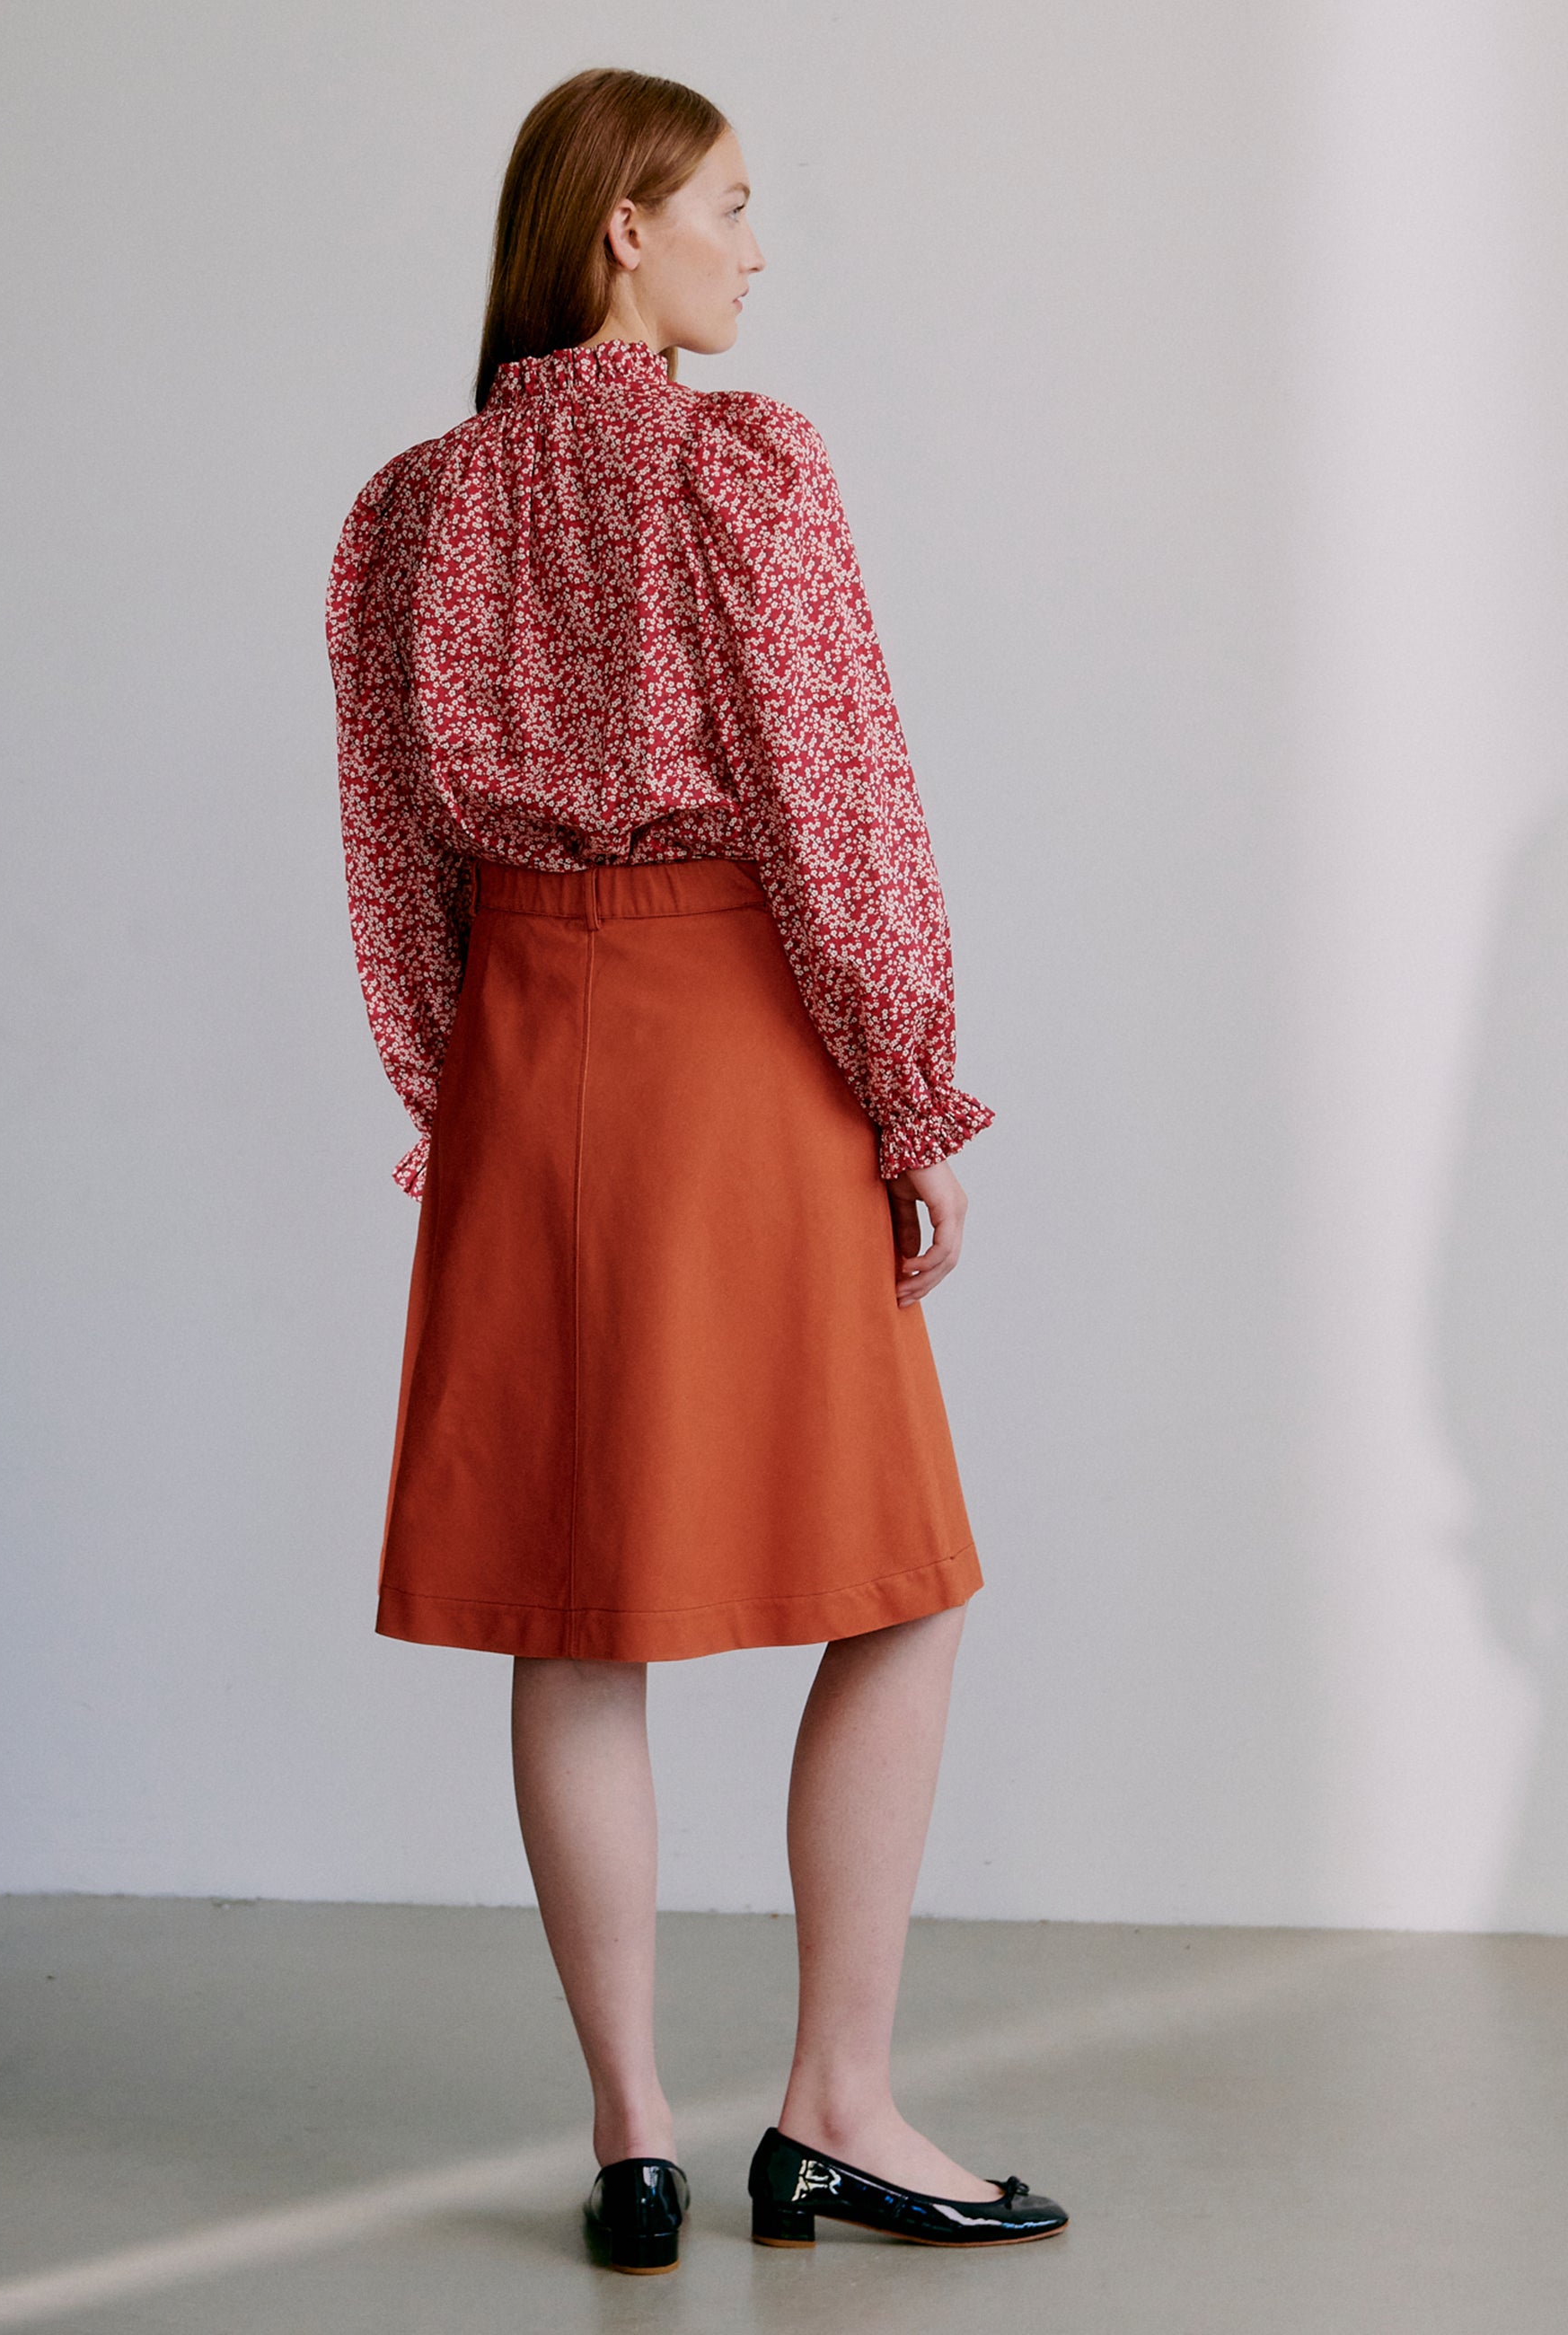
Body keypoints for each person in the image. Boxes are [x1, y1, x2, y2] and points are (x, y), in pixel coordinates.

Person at [326, 65, 1067, 2275]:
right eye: (730, 205)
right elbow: (840, 800)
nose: (759, 246)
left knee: (575, 1617)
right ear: (621, 227)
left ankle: (632, 2138)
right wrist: (910, 1095)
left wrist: (461, 1091)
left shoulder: (407, 512)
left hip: (525, 1065)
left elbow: (390, 859)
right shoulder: (742, 465)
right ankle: (836, 2105)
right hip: (737, 1046)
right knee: (900, 1577)